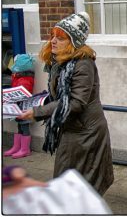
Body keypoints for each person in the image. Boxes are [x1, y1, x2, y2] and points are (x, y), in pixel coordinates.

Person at [18, 12, 114, 196]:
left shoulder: (83, 64)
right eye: (52, 35)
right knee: (69, 186)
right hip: (72, 130)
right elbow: (58, 97)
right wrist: (33, 102)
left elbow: (75, 102)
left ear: (74, 42)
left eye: (60, 37)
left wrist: (36, 112)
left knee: (78, 188)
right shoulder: (61, 63)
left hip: (86, 135)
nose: (53, 41)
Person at [4, 54, 35, 159]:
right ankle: (17, 147)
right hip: (18, 106)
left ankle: (25, 149)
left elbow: (25, 92)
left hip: (24, 107)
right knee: (19, 126)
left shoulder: (25, 79)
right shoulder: (18, 77)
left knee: (24, 127)